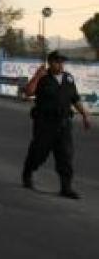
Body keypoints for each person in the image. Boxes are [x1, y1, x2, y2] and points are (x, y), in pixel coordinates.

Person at [21, 51, 91, 199]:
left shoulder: (68, 79)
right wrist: (37, 76)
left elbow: (74, 99)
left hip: (64, 124)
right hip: (45, 124)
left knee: (65, 156)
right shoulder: (43, 78)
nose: (61, 65)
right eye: (57, 62)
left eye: (62, 62)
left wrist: (84, 115)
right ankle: (27, 173)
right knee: (38, 153)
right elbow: (28, 92)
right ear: (50, 62)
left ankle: (66, 187)